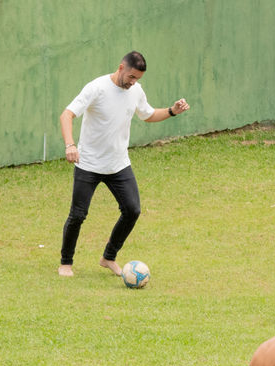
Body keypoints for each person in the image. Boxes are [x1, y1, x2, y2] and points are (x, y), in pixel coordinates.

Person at [57, 51, 189, 277]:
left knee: (132, 210)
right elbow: (66, 115)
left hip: (118, 164)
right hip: (88, 164)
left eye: (137, 78)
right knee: (78, 215)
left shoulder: (135, 90)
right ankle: (66, 263)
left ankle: (108, 257)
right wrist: (70, 145)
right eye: (131, 77)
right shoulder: (97, 88)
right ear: (121, 68)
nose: (133, 82)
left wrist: (171, 111)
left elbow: (148, 115)